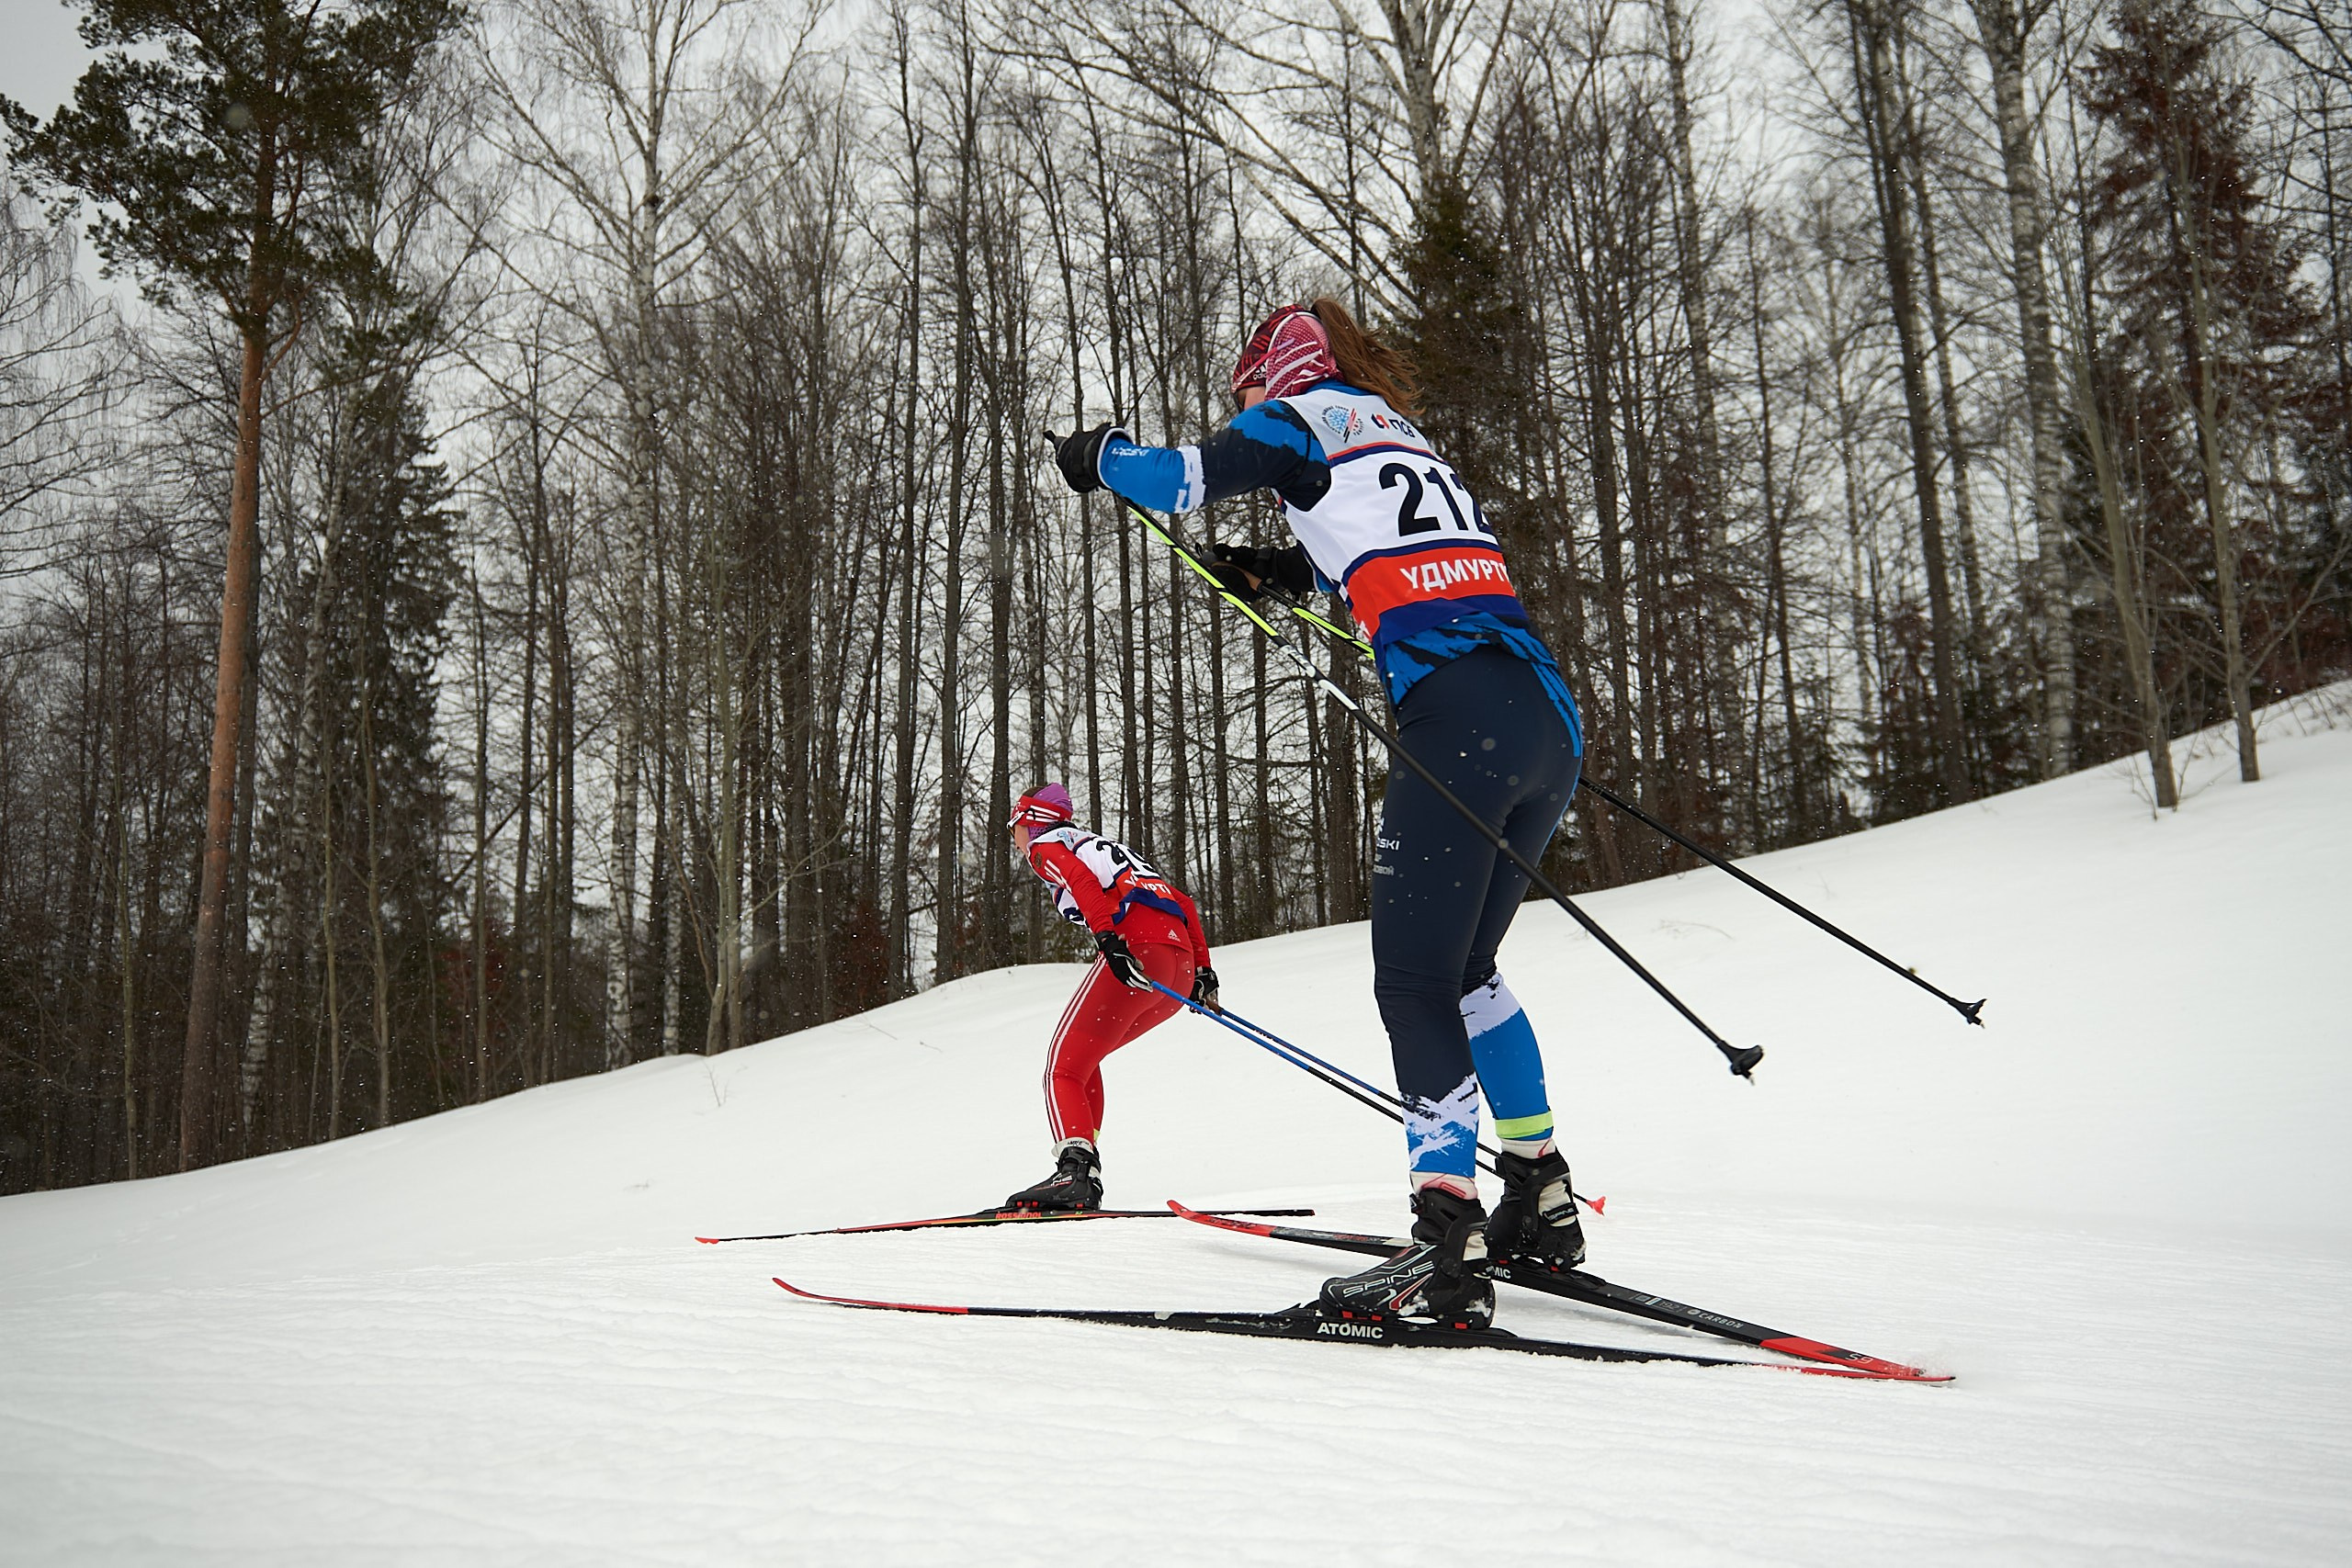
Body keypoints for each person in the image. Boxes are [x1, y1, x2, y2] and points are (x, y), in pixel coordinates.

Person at [1049, 298, 1587, 1327]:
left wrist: (1102, 454)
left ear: (1276, 372)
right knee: (1467, 971)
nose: (1239, 408)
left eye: (1241, 390)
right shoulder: (1400, 433)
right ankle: (1539, 1189)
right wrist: (1282, 571)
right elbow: (1371, 552)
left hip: (1459, 716)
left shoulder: (1294, 415)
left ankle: (1446, 1234)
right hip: (1542, 720)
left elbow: (1180, 481)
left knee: (1414, 979)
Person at [1001, 783, 1220, 1211]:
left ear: (1031, 820)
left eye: (1015, 827)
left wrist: (1108, 940)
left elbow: (1080, 881)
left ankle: (1074, 1172)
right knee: (1083, 1062)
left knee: (1060, 1068)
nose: (1016, 839)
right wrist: (1203, 970)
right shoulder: (1099, 844)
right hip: (1177, 971)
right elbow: (1184, 903)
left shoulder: (1046, 847)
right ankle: (1084, 1172)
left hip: (1138, 952)